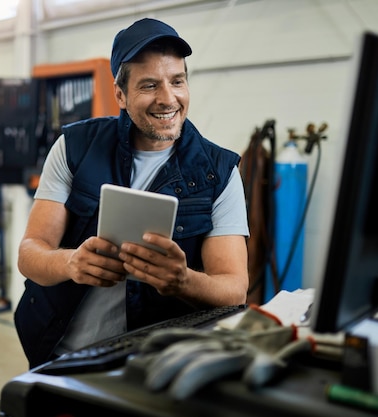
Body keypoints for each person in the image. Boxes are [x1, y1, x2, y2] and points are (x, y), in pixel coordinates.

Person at [15, 17, 250, 368]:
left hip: (150, 363)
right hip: (57, 353)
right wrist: (71, 263)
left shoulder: (220, 172)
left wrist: (183, 280)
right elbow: (30, 253)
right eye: (150, 85)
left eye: (177, 81)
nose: (168, 99)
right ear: (121, 95)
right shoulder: (75, 147)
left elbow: (234, 289)